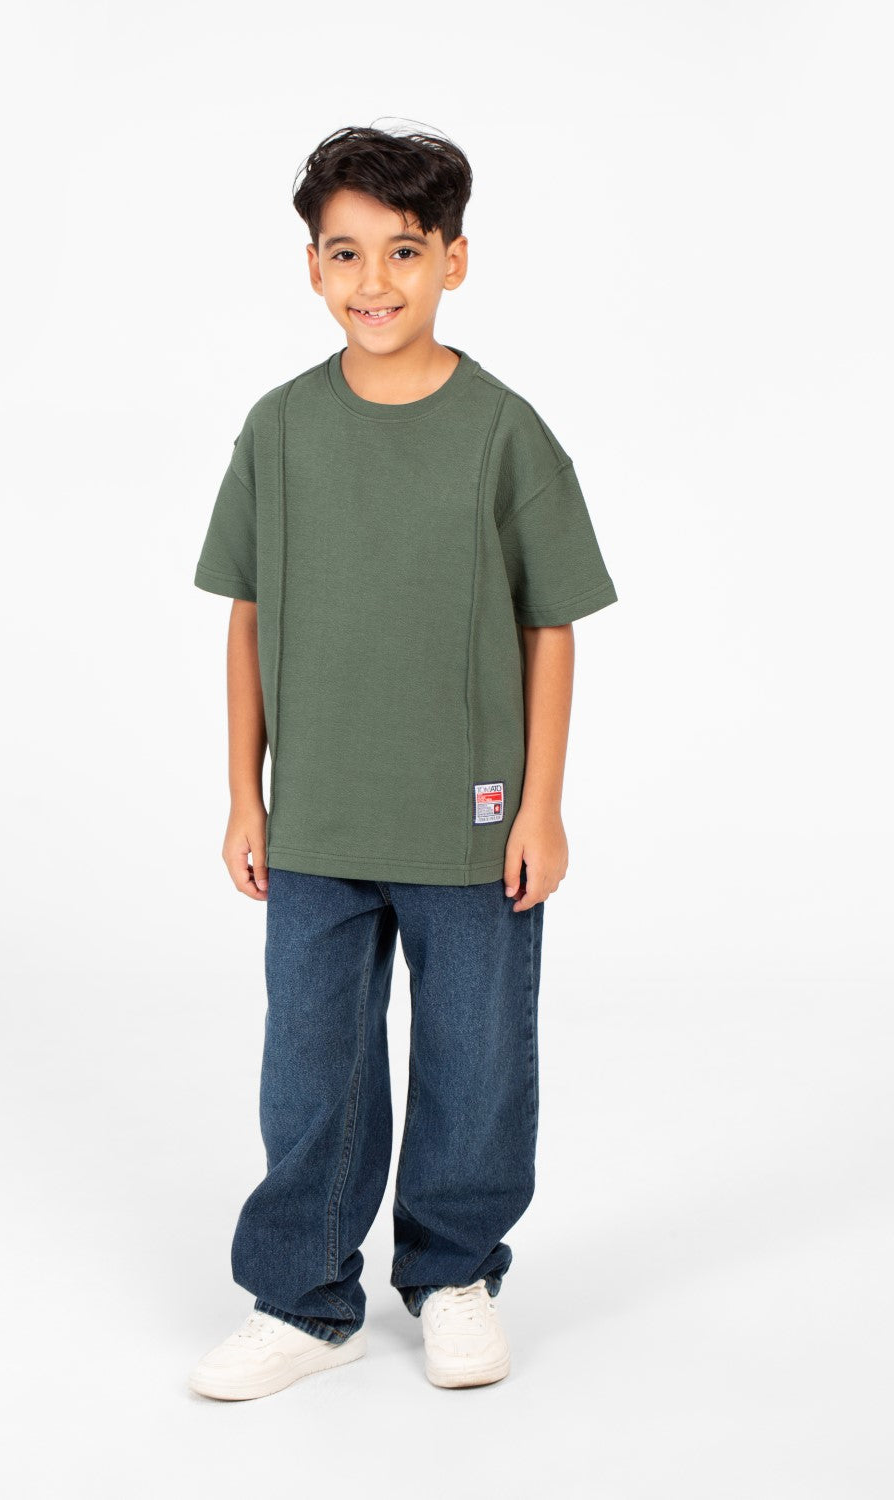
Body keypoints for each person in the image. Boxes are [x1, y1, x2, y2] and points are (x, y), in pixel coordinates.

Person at [188, 122, 618, 1401]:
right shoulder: (278, 428)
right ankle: (302, 1298)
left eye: (405, 251)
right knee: (309, 1072)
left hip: (471, 824)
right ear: (312, 267)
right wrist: (244, 795)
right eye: (345, 253)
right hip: (317, 820)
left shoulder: (503, 432)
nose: (373, 280)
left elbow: (551, 625)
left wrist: (540, 806)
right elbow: (246, 616)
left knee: (474, 1066)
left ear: (454, 261)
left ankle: (452, 1274)